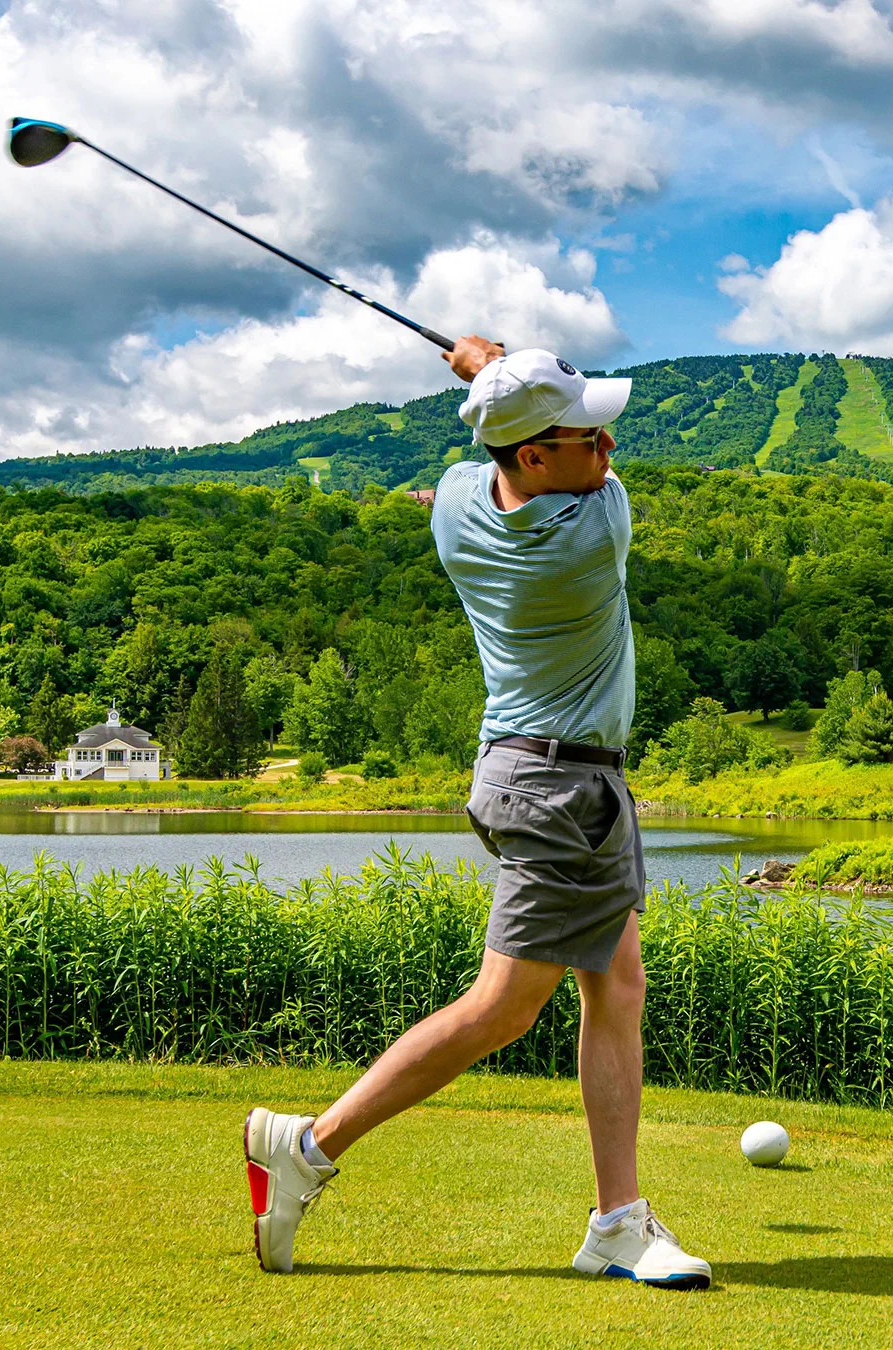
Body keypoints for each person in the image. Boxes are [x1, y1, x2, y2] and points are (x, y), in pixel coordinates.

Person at [241, 337, 710, 1290]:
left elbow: (482, 456)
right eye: (590, 438)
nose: (609, 449)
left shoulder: (457, 505)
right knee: (503, 1007)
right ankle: (309, 1147)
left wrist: (493, 384)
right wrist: (485, 363)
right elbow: (576, 473)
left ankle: (617, 1222)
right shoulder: (593, 532)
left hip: (537, 774)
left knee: (617, 985)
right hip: (558, 791)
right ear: (534, 455)